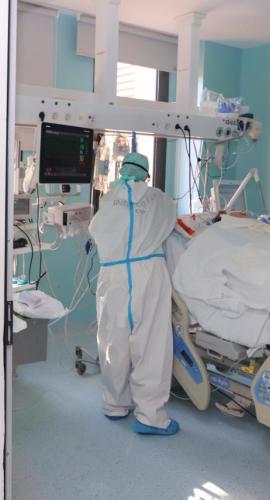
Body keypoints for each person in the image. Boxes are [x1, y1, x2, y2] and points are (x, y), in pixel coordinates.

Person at [88, 152, 179, 436]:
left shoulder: (108, 200)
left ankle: (114, 404)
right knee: (150, 344)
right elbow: (170, 221)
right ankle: (150, 416)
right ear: (146, 174)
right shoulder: (159, 200)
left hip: (113, 275)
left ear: (123, 170)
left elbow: (97, 230)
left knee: (113, 342)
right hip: (147, 272)